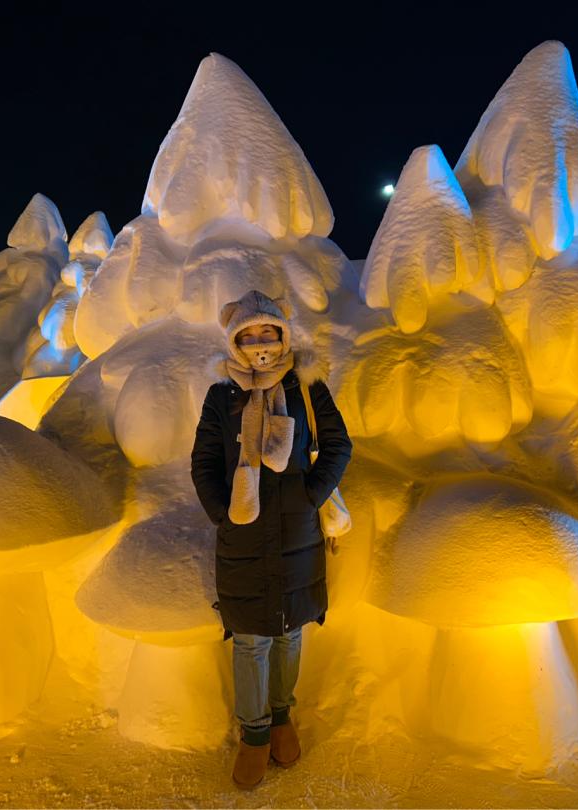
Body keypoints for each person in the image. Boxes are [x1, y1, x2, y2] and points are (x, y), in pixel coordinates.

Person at [190, 289, 352, 790]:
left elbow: (337, 444)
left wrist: (310, 494)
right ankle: (254, 734)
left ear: (282, 333)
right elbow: (204, 462)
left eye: (268, 332)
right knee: (252, 639)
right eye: (249, 334)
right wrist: (223, 512)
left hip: (296, 530)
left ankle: (282, 716)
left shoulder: (306, 385)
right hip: (242, 535)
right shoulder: (222, 395)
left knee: (289, 631)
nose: (260, 342)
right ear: (235, 340)